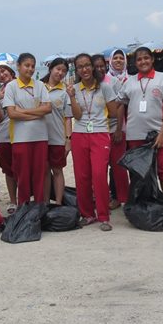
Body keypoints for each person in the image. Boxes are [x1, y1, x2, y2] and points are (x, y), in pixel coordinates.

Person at [67, 53, 120, 231]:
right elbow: (77, 116)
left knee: (98, 174)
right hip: (79, 134)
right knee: (82, 177)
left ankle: (103, 216)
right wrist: (72, 97)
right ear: (77, 70)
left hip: (100, 133)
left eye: (87, 65)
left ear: (93, 66)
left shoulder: (105, 87)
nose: (85, 69)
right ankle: (87, 214)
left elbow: (113, 112)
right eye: (80, 66)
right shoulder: (74, 88)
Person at [119, 46, 163, 201]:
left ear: (152, 59)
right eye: (139, 59)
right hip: (135, 135)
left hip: (159, 133)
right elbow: (119, 104)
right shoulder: (129, 82)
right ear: (135, 63)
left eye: (146, 58)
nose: (143, 61)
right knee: (139, 173)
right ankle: (142, 207)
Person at [3, 52, 51, 205]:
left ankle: (38, 207)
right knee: (22, 176)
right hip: (20, 138)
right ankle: (23, 208)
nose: (30, 69)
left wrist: (22, 111)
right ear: (18, 66)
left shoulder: (40, 85)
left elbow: (48, 108)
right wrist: (37, 113)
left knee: (39, 175)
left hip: (40, 137)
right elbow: (11, 113)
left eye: (32, 66)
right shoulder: (11, 87)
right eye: (26, 65)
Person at [94, 52, 129, 211]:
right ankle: (104, 196)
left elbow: (120, 105)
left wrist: (118, 129)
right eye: (96, 66)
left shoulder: (114, 81)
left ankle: (123, 198)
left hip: (115, 129)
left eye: (102, 66)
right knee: (100, 167)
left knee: (119, 167)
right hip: (97, 131)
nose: (100, 69)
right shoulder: (90, 83)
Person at [42, 57, 72, 204]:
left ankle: (59, 203)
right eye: (58, 69)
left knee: (58, 171)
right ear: (50, 69)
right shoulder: (39, 87)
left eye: (64, 71)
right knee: (45, 172)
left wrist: (68, 140)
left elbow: (68, 118)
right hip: (40, 138)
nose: (60, 73)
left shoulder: (65, 91)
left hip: (57, 138)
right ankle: (46, 202)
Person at [0, 61, 19, 213]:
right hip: (3, 135)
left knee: (22, 168)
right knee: (8, 170)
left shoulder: (20, 85)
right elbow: (0, 118)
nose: (2, 75)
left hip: (21, 135)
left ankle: (24, 199)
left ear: (11, 71)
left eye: (4, 71)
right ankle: (13, 201)